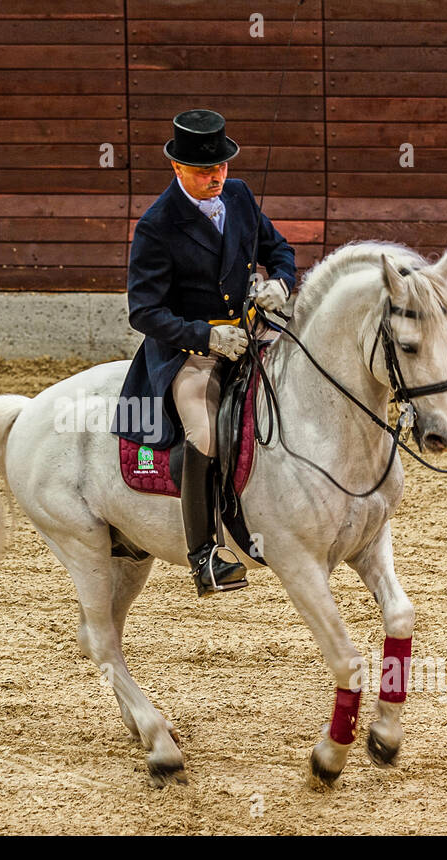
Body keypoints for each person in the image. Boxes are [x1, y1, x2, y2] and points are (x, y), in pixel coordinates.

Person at [111, 109, 297, 597]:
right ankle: (205, 555)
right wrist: (206, 337)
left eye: (221, 168)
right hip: (191, 352)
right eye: (203, 172)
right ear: (176, 169)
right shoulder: (157, 225)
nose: (216, 178)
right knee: (205, 430)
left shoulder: (236, 196)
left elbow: (279, 249)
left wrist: (280, 281)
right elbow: (144, 311)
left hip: (252, 335)